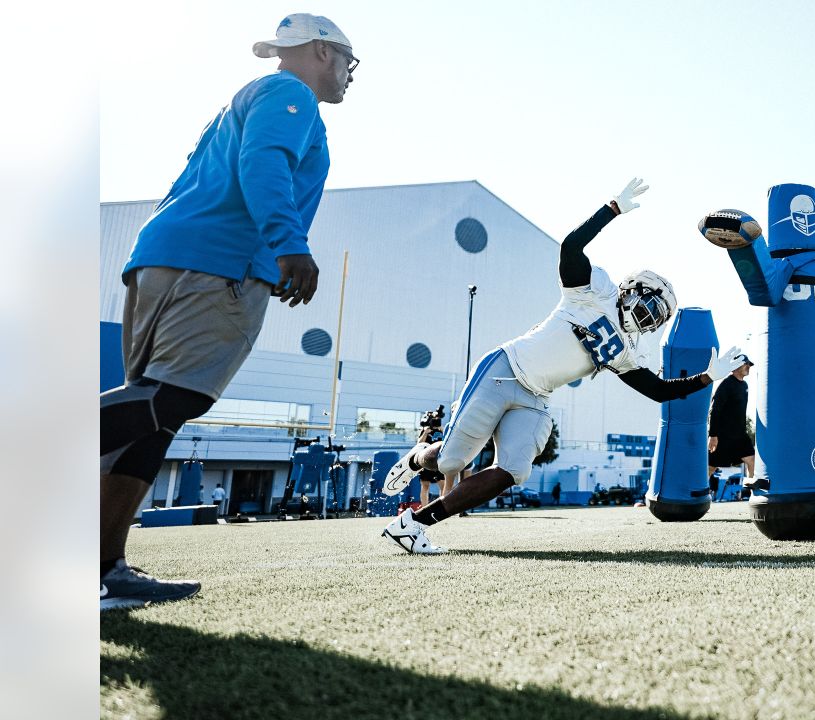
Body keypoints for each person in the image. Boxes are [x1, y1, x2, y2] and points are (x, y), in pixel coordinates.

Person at [98, 13, 358, 610]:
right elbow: (264, 162)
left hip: (165, 257)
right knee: (178, 399)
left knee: (155, 416)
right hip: (217, 266)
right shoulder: (290, 93)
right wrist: (289, 242)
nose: (350, 75)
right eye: (349, 60)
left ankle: (104, 569)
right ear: (322, 52)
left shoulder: (244, 99)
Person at [380, 179, 748, 553]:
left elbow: (658, 391)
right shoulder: (593, 291)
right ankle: (415, 458)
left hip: (534, 398)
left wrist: (708, 376)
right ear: (631, 288)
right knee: (450, 461)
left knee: (513, 471)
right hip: (504, 370)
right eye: (648, 302)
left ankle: (414, 525)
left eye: (657, 314)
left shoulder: (626, 351)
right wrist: (612, 209)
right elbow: (571, 246)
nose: (647, 314)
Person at [707, 355, 756, 495]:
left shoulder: (744, 385)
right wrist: (713, 435)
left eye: (749, 364)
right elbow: (714, 410)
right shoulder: (726, 384)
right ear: (735, 366)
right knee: (710, 468)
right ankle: (699, 495)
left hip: (740, 435)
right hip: (723, 435)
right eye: (745, 364)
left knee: (752, 460)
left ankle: (751, 493)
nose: (748, 367)